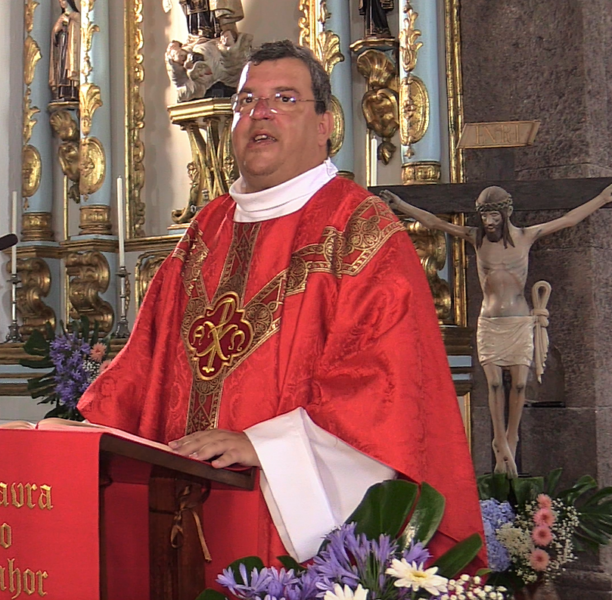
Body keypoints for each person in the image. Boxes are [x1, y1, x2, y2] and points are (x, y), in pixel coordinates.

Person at [78, 40, 485, 573]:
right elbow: (146, 361)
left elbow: (385, 392)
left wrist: (267, 445)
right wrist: (80, 435)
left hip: (279, 519)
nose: (259, 113)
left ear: (324, 124)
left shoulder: (361, 230)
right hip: (173, 511)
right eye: (246, 100)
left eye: (284, 98)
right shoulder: (207, 228)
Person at [381, 184, 612, 477]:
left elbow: (568, 220)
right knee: (492, 385)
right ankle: (498, 439)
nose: (489, 223)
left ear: (506, 214)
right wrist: (400, 204)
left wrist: (603, 198)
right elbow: (435, 223)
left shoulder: (526, 236)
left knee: (518, 385)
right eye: (485, 217)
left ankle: (511, 437)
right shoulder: (476, 239)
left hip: (518, 322)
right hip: (490, 322)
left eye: (494, 217)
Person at [49, 0, 80, 102]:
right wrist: (57, 30)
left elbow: (79, 29)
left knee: (69, 68)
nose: (61, 2)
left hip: (71, 47)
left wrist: (69, 23)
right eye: (59, 1)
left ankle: (72, 92)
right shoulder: (61, 17)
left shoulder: (76, 16)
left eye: (63, 0)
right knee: (61, 69)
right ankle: (61, 92)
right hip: (63, 46)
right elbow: (55, 34)